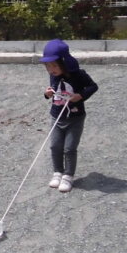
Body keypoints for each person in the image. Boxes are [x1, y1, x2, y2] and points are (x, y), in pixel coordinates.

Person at [40, 39, 99, 193]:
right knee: (54, 146)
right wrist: (47, 94)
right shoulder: (54, 76)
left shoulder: (79, 75)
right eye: (48, 66)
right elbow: (52, 92)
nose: (51, 70)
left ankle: (68, 176)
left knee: (69, 148)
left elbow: (93, 86)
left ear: (64, 62)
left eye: (54, 65)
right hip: (56, 117)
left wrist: (80, 95)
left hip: (75, 118)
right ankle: (58, 172)